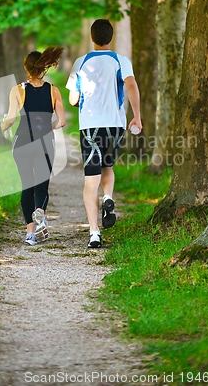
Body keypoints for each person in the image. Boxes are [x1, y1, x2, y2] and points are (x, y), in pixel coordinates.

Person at [66, 19, 142, 248]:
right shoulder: (121, 61)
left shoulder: (81, 62)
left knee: (91, 180)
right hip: (115, 125)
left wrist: (80, 94)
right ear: (111, 38)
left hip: (90, 126)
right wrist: (136, 116)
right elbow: (131, 85)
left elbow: (73, 99)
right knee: (107, 166)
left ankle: (94, 233)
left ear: (92, 38)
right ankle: (108, 197)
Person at [1, 46, 66, 246]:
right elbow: (62, 121)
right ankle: (40, 212)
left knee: (27, 185)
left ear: (26, 68)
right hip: (45, 142)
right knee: (42, 185)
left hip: (23, 142)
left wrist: (2, 127)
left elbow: (11, 118)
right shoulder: (53, 90)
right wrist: (50, 126)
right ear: (43, 68)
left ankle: (30, 233)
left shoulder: (18, 89)